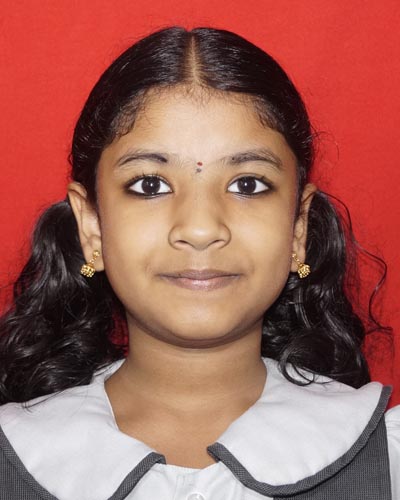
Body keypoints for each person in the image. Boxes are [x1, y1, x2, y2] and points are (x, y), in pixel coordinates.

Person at [0, 26, 398, 500]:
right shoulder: (20, 450)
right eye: (150, 185)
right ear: (91, 228)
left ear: (298, 227)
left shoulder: (388, 460)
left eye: (247, 184)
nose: (201, 228)